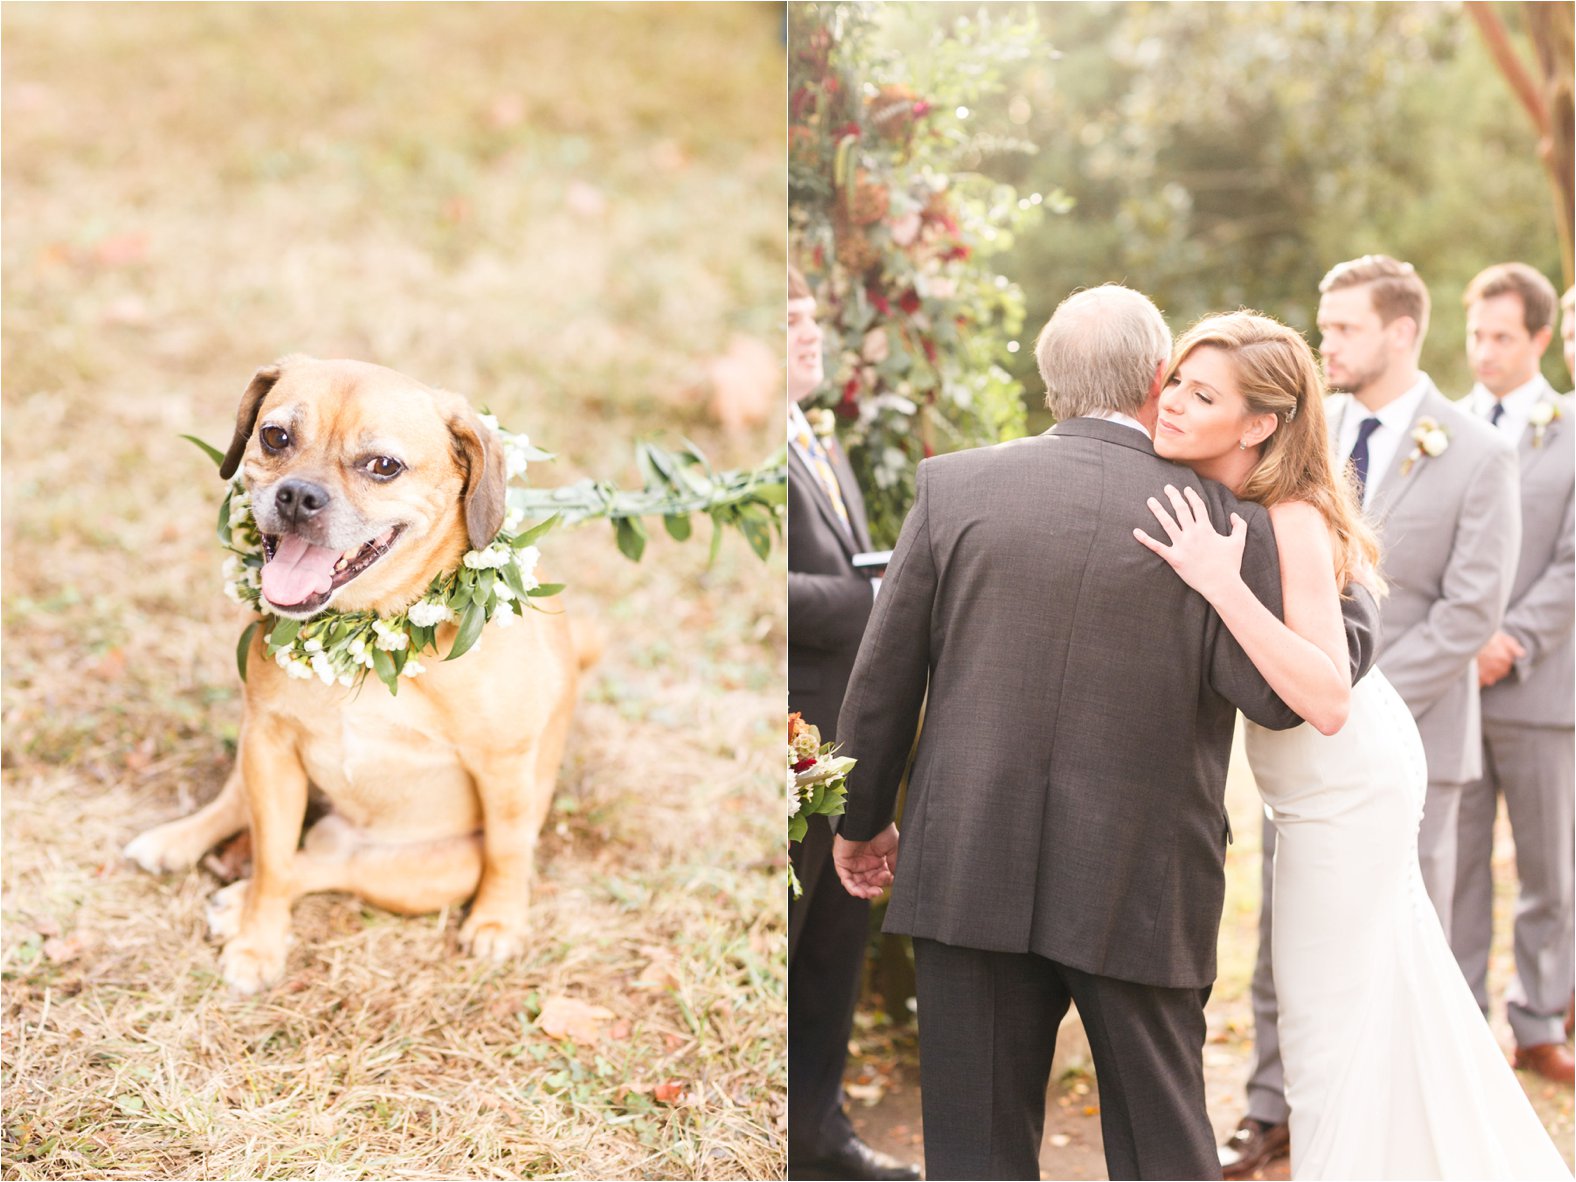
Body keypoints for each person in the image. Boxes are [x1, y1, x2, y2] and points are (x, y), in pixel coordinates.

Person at [832, 284, 1379, 1181]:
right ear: (1157, 376)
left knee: (974, 1154)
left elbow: (883, 680)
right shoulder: (1222, 520)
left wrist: (861, 822)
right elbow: (1276, 700)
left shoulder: (954, 486)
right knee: (1163, 1147)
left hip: (970, 861)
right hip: (1142, 879)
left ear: (1049, 380)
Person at [1135, 309, 1569, 1180]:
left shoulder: (1289, 512)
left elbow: (1328, 696)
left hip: (1347, 783)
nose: (1173, 402)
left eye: (1201, 391)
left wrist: (1221, 583)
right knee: (1375, 997)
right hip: (1312, 792)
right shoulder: (1234, 498)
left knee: (1324, 1020)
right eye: (1175, 381)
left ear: (1260, 423)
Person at [1219, 256, 1523, 1177]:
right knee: (1293, 939)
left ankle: (1402, 1130)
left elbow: (1473, 608)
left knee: (1401, 955)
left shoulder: (1479, 449)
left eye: (1345, 327)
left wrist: (1352, 684)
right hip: (1311, 746)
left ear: (1401, 331)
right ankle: (1273, 1106)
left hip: (1402, 731)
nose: (1327, 344)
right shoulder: (1304, 434)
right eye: (1324, 324)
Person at [785, 266, 919, 1182]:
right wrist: (865, 597)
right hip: (785, 742)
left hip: (842, 748)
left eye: (806, 317)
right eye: (783, 320)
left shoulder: (814, 437)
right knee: (784, 948)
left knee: (833, 953)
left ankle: (818, 1135)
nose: (805, 333)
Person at [1452, 262, 1575, 1086]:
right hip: (1450, 689)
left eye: (1503, 337)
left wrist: (1509, 640)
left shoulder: (1571, 429)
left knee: (1549, 868)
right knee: (1453, 865)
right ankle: (1459, 1023)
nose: (1485, 352)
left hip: (1540, 686)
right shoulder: (1446, 428)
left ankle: (1538, 1019)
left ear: (1539, 339)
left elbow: (1572, 564)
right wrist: (1460, 642)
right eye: (1476, 335)